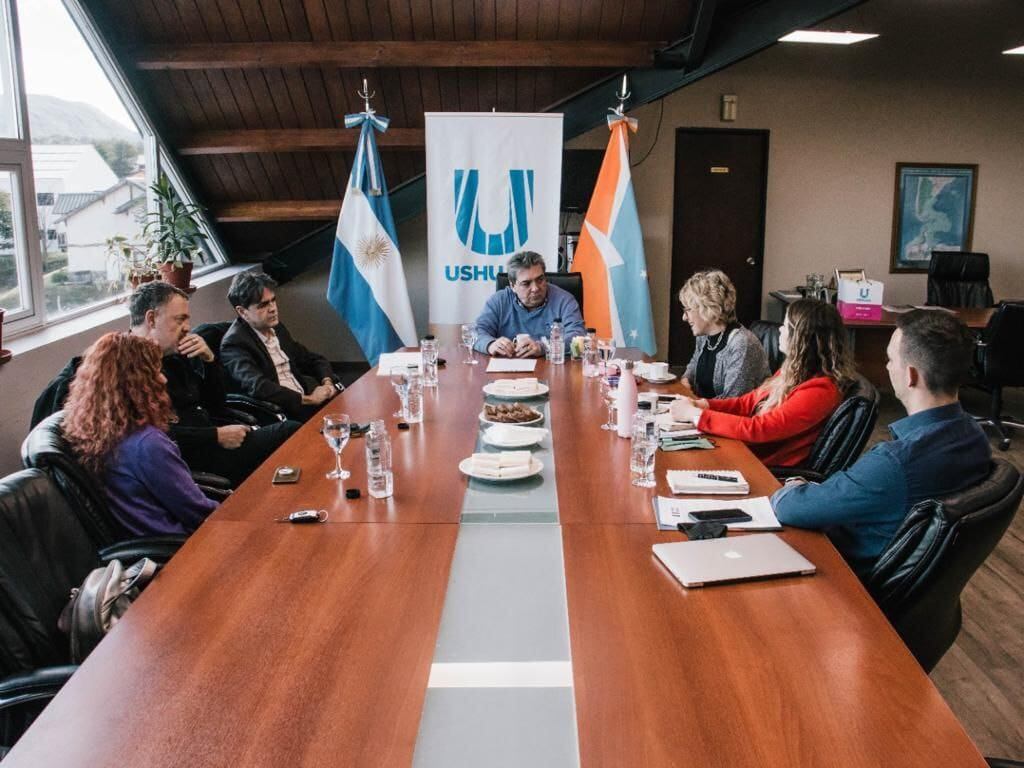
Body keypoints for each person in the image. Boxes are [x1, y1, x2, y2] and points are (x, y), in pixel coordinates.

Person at [771, 310, 992, 575]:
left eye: (890, 359)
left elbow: (789, 508)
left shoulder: (893, 463)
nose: (887, 367)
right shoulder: (975, 436)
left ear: (911, 375)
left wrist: (796, 484)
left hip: (844, 581)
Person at [129, 281, 300, 487]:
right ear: (151, 319)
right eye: (180, 319)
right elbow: (146, 437)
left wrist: (209, 361)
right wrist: (214, 436)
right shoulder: (124, 369)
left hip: (216, 439)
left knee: (294, 436)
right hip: (191, 462)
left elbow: (216, 404)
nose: (187, 327)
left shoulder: (174, 355)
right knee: (290, 432)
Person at [62, 332, 218, 536]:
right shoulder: (147, 444)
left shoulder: (100, 432)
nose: (163, 379)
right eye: (153, 372)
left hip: (147, 542)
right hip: (183, 546)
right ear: (134, 383)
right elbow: (200, 513)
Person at [671, 298, 854, 467]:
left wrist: (697, 416)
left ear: (803, 338)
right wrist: (704, 404)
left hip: (761, 468)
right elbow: (747, 402)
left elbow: (760, 429)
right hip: (746, 452)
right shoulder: (794, 370)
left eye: (786, 326)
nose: (780, 330)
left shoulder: (820, 390)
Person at [221, 272, 343, 421]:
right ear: (242, 311)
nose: (273, 308)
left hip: (306, 405)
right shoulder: (234, 344)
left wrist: (327, 383)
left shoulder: (276, 328)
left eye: (273, 300)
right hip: (282, 415)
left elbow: (311, 359)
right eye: (263, 305)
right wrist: (309, 399)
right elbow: (258, 386)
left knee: (351, 409)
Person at [473, 251, 585, 358]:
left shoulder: (564, 300)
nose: (535, 288)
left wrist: (543, 347)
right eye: (526, 283)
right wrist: (490, 344)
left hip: (552, 368)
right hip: (507, 371)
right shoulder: (499, 301)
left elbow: (578, 336)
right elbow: (477, 332)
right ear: (512, 286)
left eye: (540, 280)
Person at [678, 269, 770, 398]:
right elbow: (694, 364)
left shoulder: (742, 344)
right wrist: (685, 380)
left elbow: (733, 400)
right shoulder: (704, 336)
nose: (684, 317)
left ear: (707, 308)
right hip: (703, 412)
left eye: (688, 309)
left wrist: (694, 405)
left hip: (731, 416)